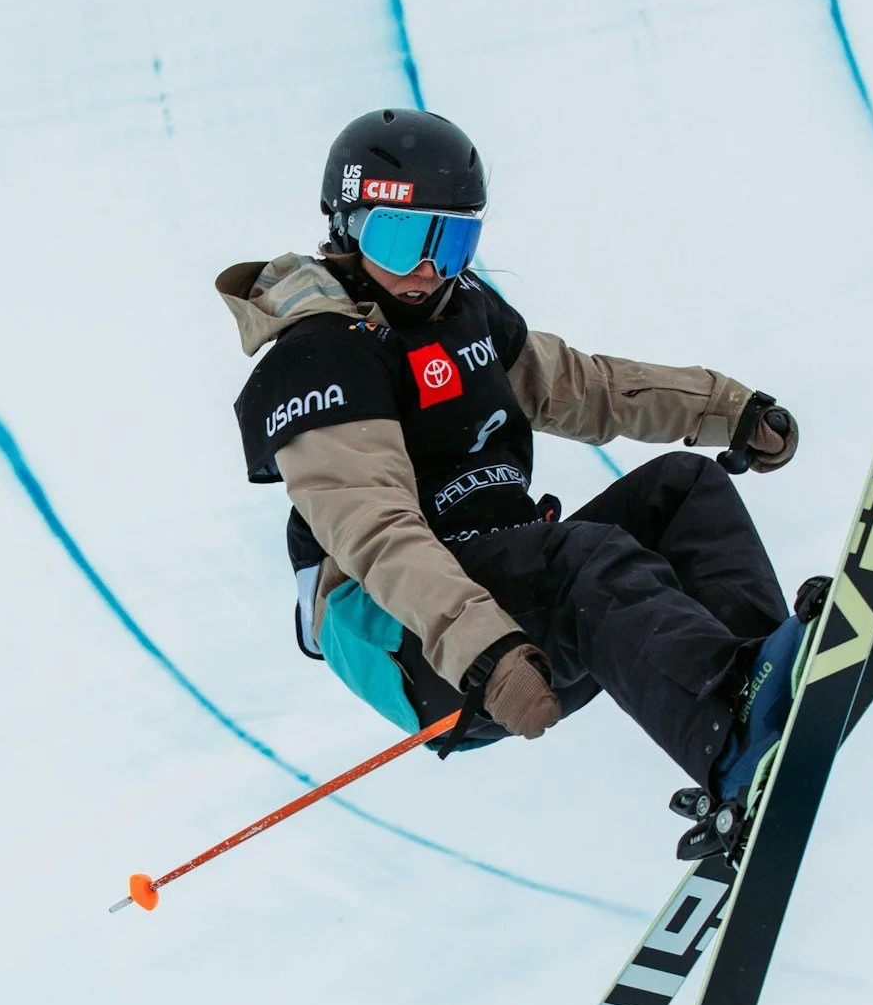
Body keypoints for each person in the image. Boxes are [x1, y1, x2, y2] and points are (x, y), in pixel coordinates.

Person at [220, 108, 823, 810]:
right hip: (418, 643)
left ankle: (756, 693)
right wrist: (481, 650)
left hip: (504, 592)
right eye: (402, 235)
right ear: (348, 227)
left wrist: (724, 409)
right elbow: (376, 535)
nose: (425, 268)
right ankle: (725, 744)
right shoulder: (319, 358)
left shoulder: (461, 310)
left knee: (683, 491)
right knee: (585, 559)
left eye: (452, 242)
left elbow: (582, 387)